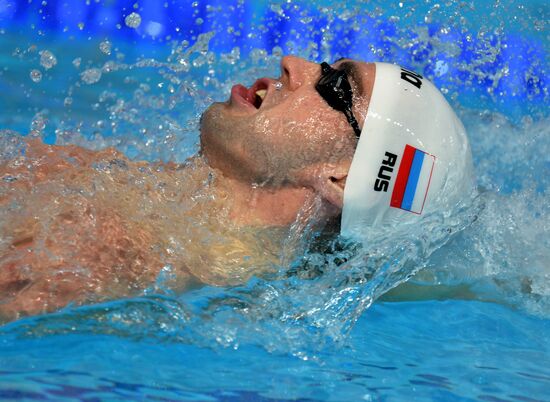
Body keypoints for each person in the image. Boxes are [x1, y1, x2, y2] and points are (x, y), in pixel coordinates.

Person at [0, 56, 473, 321]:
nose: (292, 63)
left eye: (334, 87)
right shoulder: (130, 189)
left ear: (343, 180)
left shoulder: (111, 252)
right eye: (325, 63)